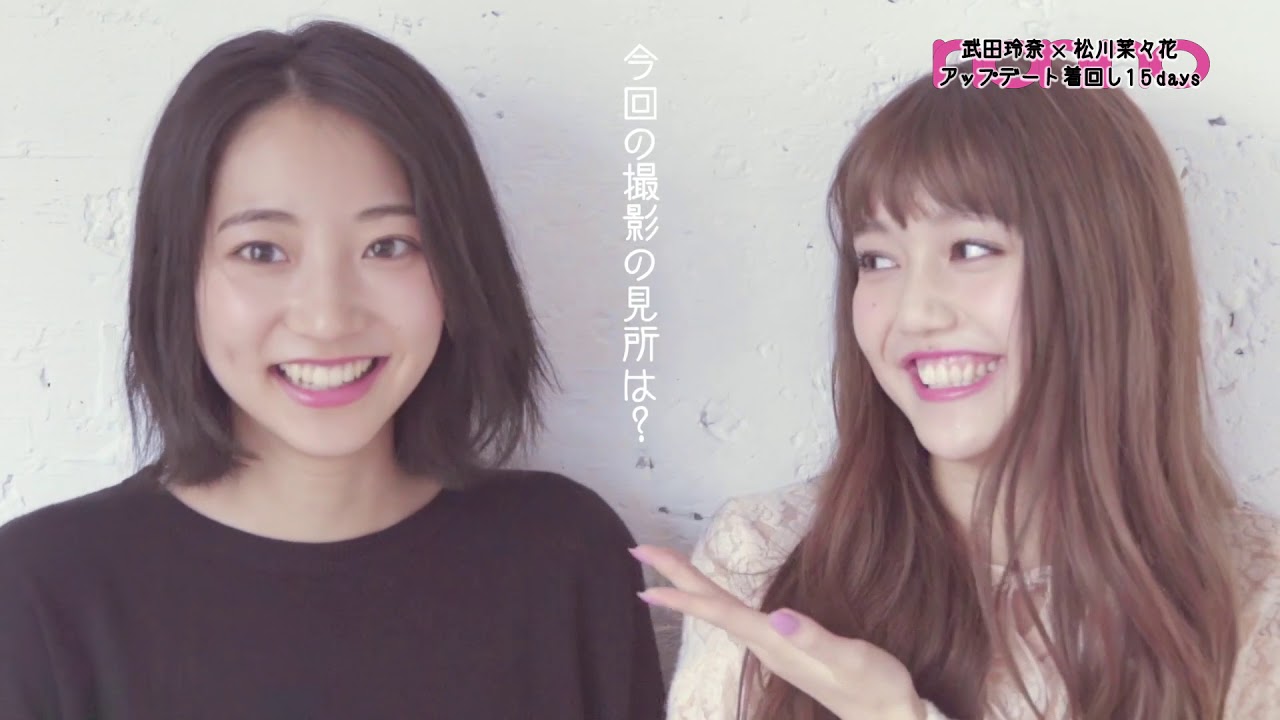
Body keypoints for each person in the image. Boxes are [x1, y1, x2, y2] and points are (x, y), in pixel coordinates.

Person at [0, 20, 664, 720]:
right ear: (178, 278)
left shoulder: (564, 555)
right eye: (262, 251)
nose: (327, 317)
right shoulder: (40, 593)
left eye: (389, 246)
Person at [632, 61, 1280, 719]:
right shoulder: (762, 557)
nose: (913, 313)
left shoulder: (1258, 602)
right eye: (877, 259)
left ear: (1104, 272)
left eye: (970, 249)